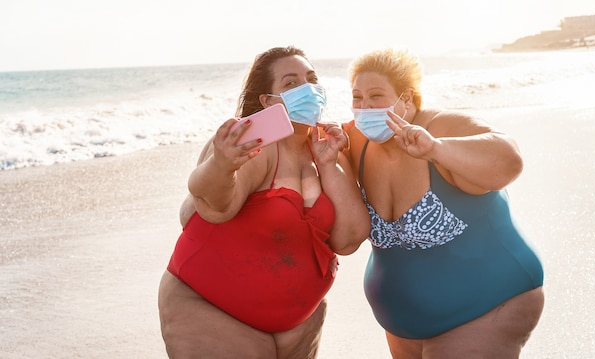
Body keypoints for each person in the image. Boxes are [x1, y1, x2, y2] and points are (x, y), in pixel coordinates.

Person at [158, 46, 371, 359]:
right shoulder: (253, 139)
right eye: (290, 83)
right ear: (268, 102)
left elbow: (350, 238)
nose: (308, 89)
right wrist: (222, 164)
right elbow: (217, 206)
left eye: (312, 79)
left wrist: (329, 165)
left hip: (301, 324)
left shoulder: (328, 145)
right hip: (210, 310)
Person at [341, 48, 545, 358]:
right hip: (402, 327)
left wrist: (436, 149)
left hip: (488, 306)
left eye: (376, 96)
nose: (365, 107)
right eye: (357, 98)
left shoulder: (442, 126)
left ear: (406, 98)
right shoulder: (356, 141)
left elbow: (508, 159)